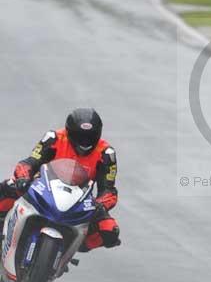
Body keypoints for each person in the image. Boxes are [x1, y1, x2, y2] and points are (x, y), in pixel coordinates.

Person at [0, 108, 121, 252]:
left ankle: (69, 251)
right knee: (7, 187)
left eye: (90, 137)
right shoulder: (54, 138)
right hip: (42, 189)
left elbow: (108, 190)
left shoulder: (106, 154)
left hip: (78, 202)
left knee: (109, 229)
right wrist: (23, 178)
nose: (85, 142)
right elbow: (30, 162)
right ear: (69, 131)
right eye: (80, 136)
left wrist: (100, 206)